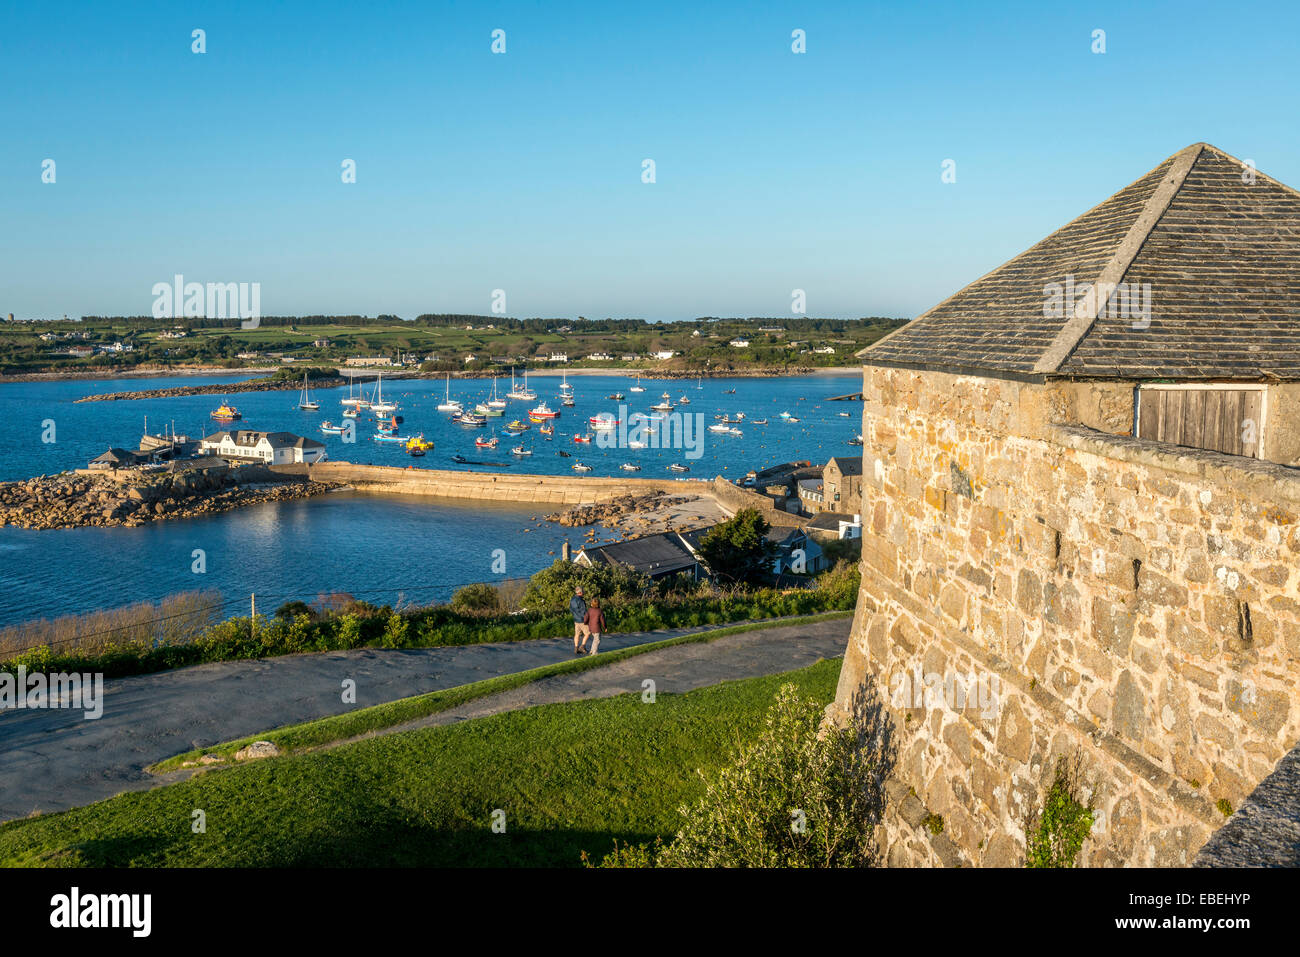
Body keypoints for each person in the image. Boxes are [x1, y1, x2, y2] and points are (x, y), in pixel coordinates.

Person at [570, 586, 590, 655]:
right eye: (583, 591)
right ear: (580, 592)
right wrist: (587, 619)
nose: (584, 592)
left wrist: (575, 615)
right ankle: (582, 646)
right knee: (588, 633)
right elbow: (583, 611)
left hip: (576, 619)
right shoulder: (581, 601)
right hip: (582, 620)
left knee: (577, 634)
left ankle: (576, 648)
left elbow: (571, 609)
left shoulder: (572, 599)